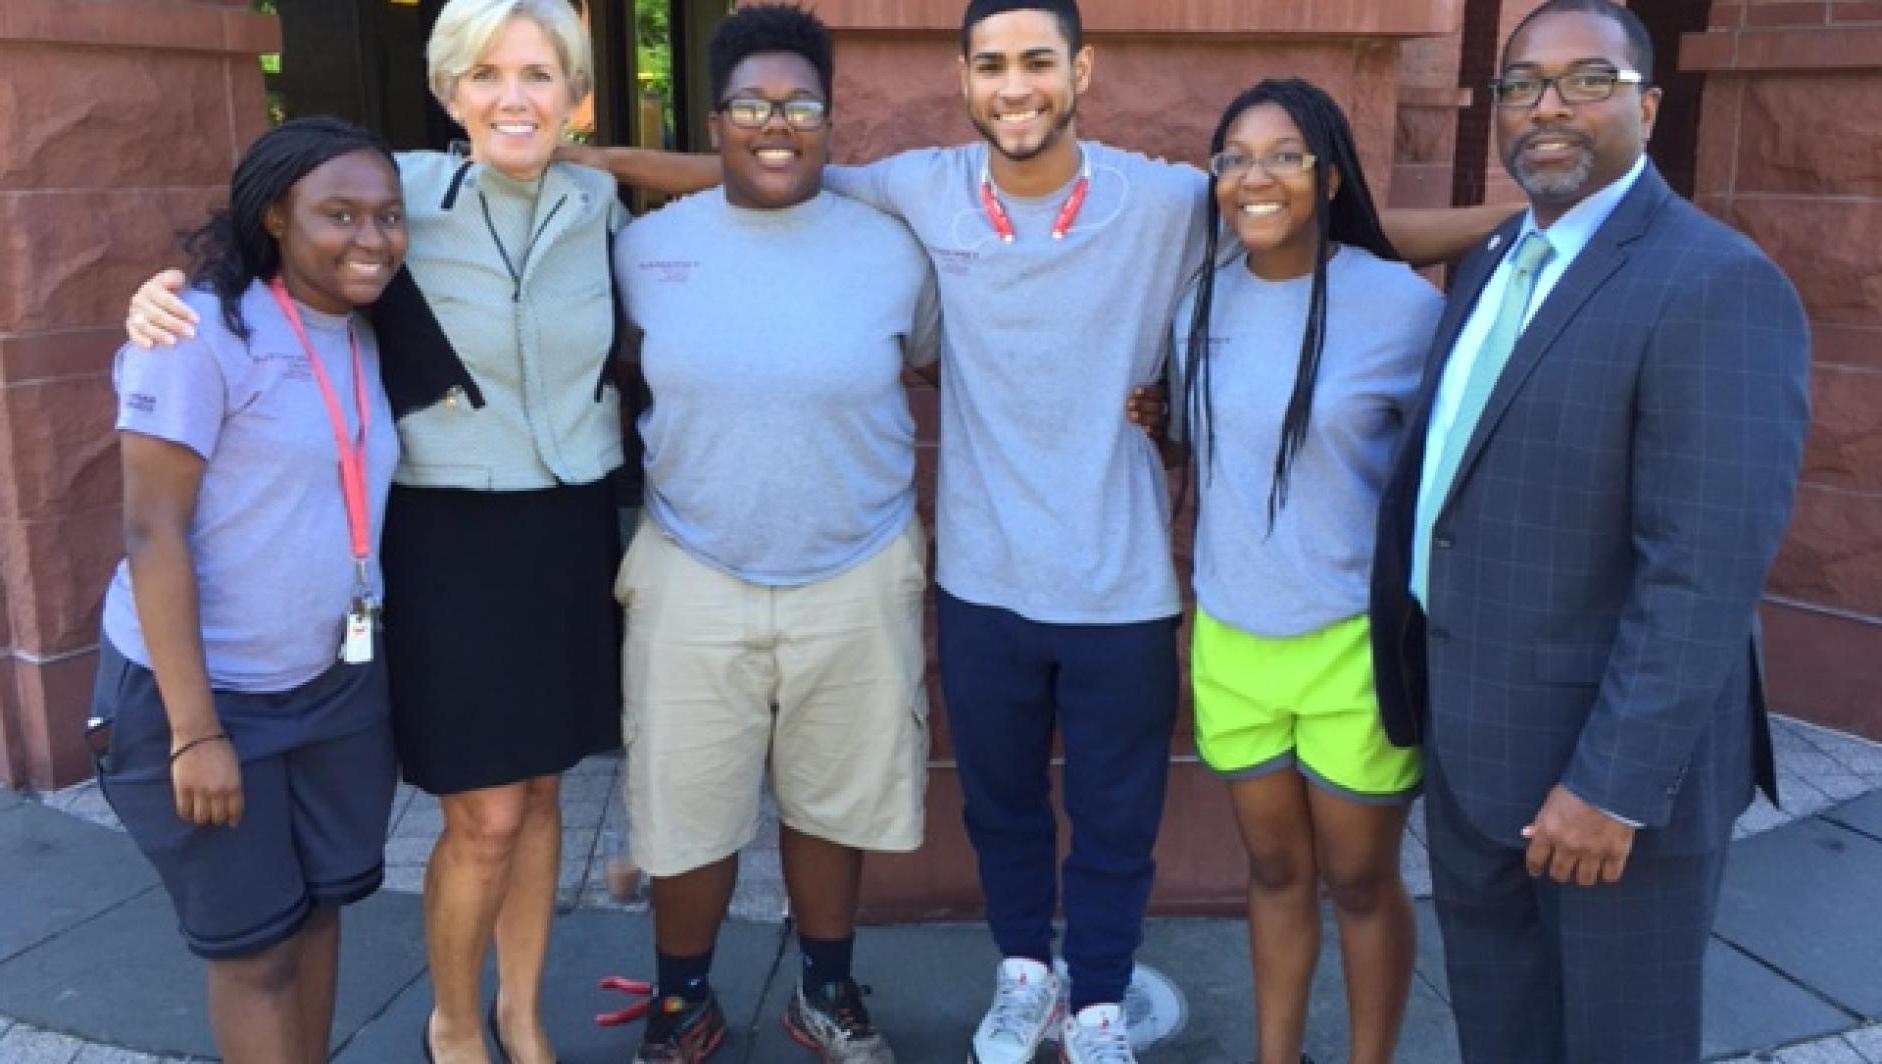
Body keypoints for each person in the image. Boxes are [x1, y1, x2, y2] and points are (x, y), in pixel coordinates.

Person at [565, 3, 1502, 1060]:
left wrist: (1512, 225)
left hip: (1123, 581)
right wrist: (582, 153)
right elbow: (757, 159)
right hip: (982, 573)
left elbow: (1328, 228)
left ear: (1079, 70)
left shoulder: (1161, 201)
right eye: (993, 65)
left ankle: (1096, 1002)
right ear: (965, 79)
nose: (1015, 87)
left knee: (1112, 825)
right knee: (1004, 811)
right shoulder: (919, 188)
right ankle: (1023, 978)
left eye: (1037, 63)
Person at [125, 3, 632, 1061]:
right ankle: (453, 1021)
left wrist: (595, 147)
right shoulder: (396, 194)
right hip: (446, 535)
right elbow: (281, 231)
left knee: (543, 792)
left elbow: (745, 169)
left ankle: (522, 1015)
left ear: (574, 94)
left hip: (572, 524)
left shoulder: (599, 201)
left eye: (540, 75)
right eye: (485, 74)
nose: (513, 96)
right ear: (448, 90)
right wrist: (160, 294)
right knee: (485, 814)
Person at [1368, 3, 1810, 1061]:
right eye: (1522, 84)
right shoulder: (1490, 261)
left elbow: (1701, 573)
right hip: (1475, 750)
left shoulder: (1714, 284)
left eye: (1586, 80)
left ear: (1647, 107)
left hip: (1605, 784)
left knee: (1618, 1039)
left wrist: (1610, 783)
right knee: (1502, 1029)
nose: (1548, 105)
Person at [609, 8, 939, 1063]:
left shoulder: (894, 247)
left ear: (831, 120)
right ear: (715, 121)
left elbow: (928, 362)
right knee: (684, 803)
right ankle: (682, 1000)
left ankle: (826, 992)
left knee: (832, 795)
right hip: (692, 561)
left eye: (800, 103)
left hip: (857, 560)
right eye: (752, 103)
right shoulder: (645, 248)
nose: (777, 123)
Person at [91, 116, 406, 1063]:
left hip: (331, 680)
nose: (370, 238)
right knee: (255, 950)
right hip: (207, 693)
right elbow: (151, 529)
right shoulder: (197, 329)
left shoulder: (364, 325)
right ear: (275, 214)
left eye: (388, 216)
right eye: (339, 214)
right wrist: (195, 732)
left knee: (316, 916)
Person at [1168, 79, 1442, 1064]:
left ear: (1328, 175)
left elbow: (1443, 480)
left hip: (1352, 648)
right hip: (1234, 640)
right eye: (1233, 156)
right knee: (1274, 869)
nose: (1256, 175)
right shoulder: (1199, 300)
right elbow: (1205, 454)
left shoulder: (1401, 307)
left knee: (1362, 878)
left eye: (1283, 154)